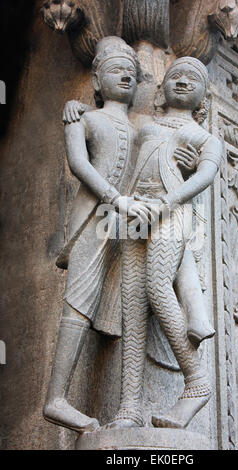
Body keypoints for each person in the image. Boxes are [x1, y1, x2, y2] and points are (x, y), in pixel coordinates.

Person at [106, 56, 222, 429]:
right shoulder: (145, 125)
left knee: (158, 286)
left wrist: (165, 204)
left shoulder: (205, 139)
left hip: (170, 212)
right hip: (135, 213)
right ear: (161, 88)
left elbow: (204, 177)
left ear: (204, 96)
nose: (183, 82)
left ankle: (197, 380)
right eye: (175, 76)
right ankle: (129, 405)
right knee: (133, 303)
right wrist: (79, 108)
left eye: (193, 79)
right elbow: (115, 132)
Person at [43, 36, 151, 434]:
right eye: (115, 70)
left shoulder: (141, 127)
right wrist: (115, 198)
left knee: (135, 301)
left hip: (130, 224)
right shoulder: (84, 118)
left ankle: (132, 405)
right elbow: (78, 164)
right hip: (98, 217)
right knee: (78, 301)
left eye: (131, 72)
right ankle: (56, 398)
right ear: (95, 78)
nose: (125, 76)